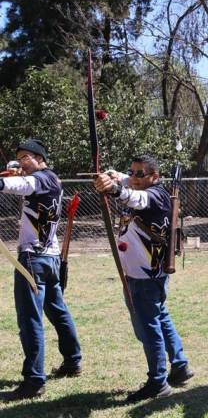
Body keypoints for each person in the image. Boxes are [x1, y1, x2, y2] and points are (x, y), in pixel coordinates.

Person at [94, 155, 193, 402]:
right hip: (143, 273)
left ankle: (158, 382)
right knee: (159, 317)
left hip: (145, 276)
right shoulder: (141, 184)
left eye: (140, 174)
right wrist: (115, 175)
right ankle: (180, 365)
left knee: (148, 327)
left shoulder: (155, 195)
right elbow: (127, 181)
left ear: (154, 177)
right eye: (132, 172)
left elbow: (135, 198)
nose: (134, 177)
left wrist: (114, 188)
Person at [1, 139, 82, 400]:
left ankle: (34, 380)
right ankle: (72, 360)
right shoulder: (49, 179)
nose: (21, 162)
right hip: (49, 257)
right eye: (19, 158)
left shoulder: (41, 179)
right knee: (57, 310)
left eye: (26, 157)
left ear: (40, 158)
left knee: (30, 319)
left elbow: (24, 184)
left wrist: (3, 183)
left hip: (33, 260)